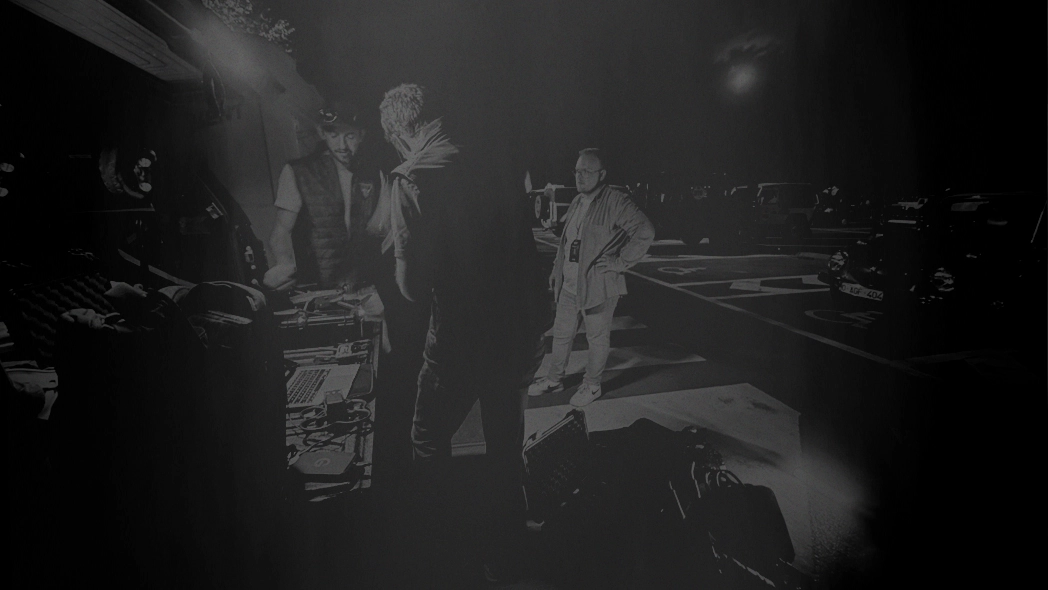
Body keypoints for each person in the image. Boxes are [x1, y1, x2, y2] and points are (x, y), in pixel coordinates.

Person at [379, 83, 550, 583]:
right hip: (518, 332)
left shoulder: (411, 179)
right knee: (504, 442)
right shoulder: (498, 163)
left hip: (460, 338)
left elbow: (412, 287)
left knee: (428, 436)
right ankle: (509, 552)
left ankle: (445, 549)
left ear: (401, 133)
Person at [528, 148, 655, 406]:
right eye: (577, 171)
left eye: (587, 171)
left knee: (596, 338)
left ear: (602, 174)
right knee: (562, 334)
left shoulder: (615, 201)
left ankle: (592, 385)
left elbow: (645, 230)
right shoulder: (577, 201)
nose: (580, 176)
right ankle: (555, 379)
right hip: (570, 284)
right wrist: (556, 269)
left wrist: (620, 263)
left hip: (597, 285)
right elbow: (567, 242)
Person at [263, 102, 384, 292]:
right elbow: (281, 232)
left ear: (362, 134)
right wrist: (284, 267)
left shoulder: (376, 174)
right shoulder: (298, 172)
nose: (342, 145)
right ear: (322, 133)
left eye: (350, 136)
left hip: (367, 287)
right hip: (317, 288)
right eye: (334, 136)